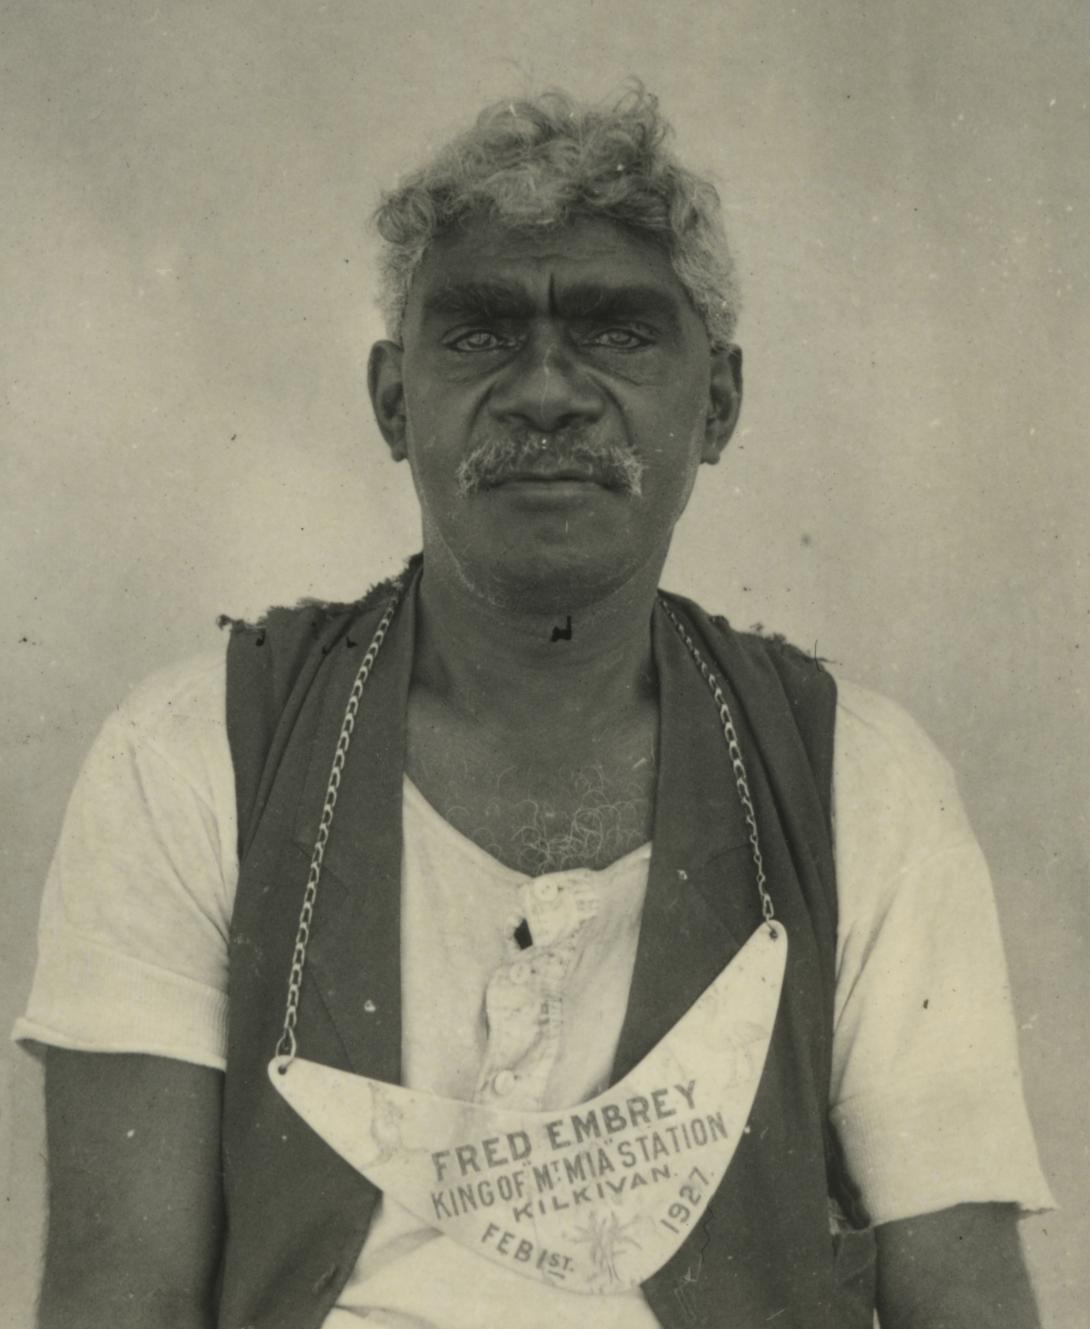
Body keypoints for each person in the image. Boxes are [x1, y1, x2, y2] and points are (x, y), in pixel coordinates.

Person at [14, 86, 1053, 1329]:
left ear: (715, 402)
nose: (547, 390)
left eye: (616, 334)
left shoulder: (856, 778)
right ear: (393, 401)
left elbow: (964, 1296)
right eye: (481, 333)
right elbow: (117, 1296)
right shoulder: (191, 758)